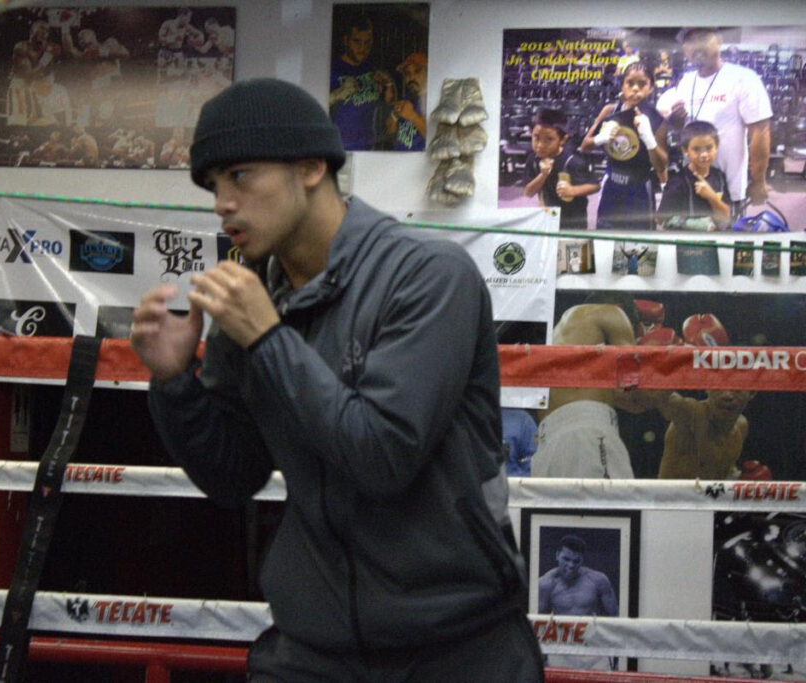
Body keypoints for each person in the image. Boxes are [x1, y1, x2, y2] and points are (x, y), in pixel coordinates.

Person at [130, 78, 543, 681]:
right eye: (213, 185)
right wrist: (174, 383)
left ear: (310, 168)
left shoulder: (428, 275)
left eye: (240, 176)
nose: (222, 202)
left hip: (455, 644)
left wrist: (269, 339)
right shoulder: (256, 298)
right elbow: (232, 477)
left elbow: (383, 456)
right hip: (314, 644)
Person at [530, 293, 648, 479]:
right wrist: (666, 365)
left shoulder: (562, 336)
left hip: (548, 442)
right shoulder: (613, 312)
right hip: (586, 436)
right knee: (609, 499)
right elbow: (632, 388)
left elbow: (631, 402)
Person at [659, 27, 773, 214]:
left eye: (702, 38)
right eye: (689, 42)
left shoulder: (743, 78)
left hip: (728, 188)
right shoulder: (686, 81)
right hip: (692, 187)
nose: (696, 46)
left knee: (727, 231)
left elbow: (760, 131)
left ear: (719, 40)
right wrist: (676, 119)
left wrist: (758, 180)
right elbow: (683, 129)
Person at [581, 62, 668, 230]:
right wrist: (601, 138)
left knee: (639, 244)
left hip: (640, 189)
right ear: (622, 85)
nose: (635, 88)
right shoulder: (610, 111)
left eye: (642, 84)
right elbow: (585, 146)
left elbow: (661, 165)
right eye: (630, 83)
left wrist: (649, 139)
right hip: (611, 186)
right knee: (605, 240)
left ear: (650, 88)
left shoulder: (657, 118)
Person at [537, 535, 620, 670]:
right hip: (561, 648)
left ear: (582, 559)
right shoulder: (546, 584)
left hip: (593, 648)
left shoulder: (598, 580)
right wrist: (542, 657)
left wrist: (615, 656)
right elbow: (539, 624)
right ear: (557, 555)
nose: (571, 565)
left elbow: (615, 619)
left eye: (576, 561)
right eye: (566, 559)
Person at [523, 108, 598, 230]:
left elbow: (595, 185)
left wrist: (573, 190)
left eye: (549, 139)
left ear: (563, 140)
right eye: (536, 137)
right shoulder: (533, 158)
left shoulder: (573, 161)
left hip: (573, 222)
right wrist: (543, 175)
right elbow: (528, 193)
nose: (540, 145)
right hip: (548, 219)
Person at [328, 16, 394, 151]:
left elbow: (389, 105)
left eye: (367, 42)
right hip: (339, 149)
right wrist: (335, 95)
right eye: (357, 41)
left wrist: (389, 86)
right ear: (346, 40)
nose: (363, 48)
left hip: (371, 147)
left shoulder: (372, 67)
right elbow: (311, 110)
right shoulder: (331, 68)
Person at [658, 120, 731, 231]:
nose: (704, 154)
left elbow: (726, 215)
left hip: (715, 239)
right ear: (685, 150)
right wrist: (698, 225)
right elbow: (661, 219)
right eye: (696, 149)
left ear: (717, 147)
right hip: (686, 240)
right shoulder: (678, 181)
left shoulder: (719, 177)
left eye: (709, 148)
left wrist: (711, 196)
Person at [389, 52, 427, 151]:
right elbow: (390, 130)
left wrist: (412, 116)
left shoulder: (432, 98)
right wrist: (394, 115)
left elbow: (434, 136)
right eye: (407, 73)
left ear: (427, 72)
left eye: (417, 71)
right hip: (399, 156)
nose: (412, 77)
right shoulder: (408, 96)